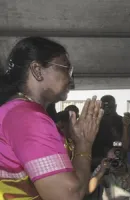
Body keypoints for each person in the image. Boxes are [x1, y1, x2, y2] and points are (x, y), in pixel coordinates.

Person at [0, 37, 103, 200]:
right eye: (66, 69)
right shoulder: (28, 118)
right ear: (37, 70)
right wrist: (84, 145)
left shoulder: (16, 111)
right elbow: (68, 195)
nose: (71, 80)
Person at [92, 95, 125, 170]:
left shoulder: (122, 121)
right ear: (100, 107)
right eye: (105, 107)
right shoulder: (94, 121)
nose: (107, 110)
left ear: (115, 106)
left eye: (110, 107)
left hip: (116, 162)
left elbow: (125, 143)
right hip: (96, 161)